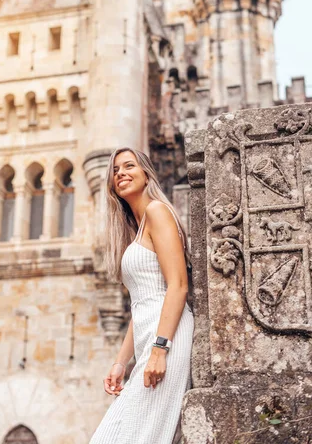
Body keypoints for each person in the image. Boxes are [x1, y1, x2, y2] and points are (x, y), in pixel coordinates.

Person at [89, 147, 194, 443]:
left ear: (146, 173)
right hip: (149, 336)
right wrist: (121, 362)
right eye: (115, 170)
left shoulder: (156, 212)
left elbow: (178, 286)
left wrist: (161, 349)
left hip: (166, 338)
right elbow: (141, 304)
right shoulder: (137, 229)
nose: (121, 173)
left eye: (129, 166)